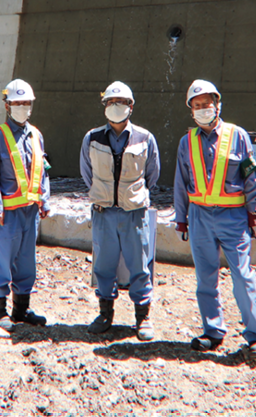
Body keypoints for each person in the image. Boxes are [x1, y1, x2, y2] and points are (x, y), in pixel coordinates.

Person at [173, 79, 256, 363]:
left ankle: (255, 337)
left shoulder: (237, 135)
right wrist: (181, 218)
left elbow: (251, 176)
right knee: (205, 277)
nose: (203, 109)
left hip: (233, 218)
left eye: (207, 104)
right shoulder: (186, 142)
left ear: (218, 106)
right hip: (199, 217)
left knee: (242, 276)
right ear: (191, 110)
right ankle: (213, 331)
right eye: (197, 105)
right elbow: (181, 182)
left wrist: (254, 213)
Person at [80, 81, 160, 340]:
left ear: (131, 106)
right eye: (111, 102)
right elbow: (87, 173)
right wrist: (104, 194)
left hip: (134, 213)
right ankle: (105, 314)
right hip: (104, 213)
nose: (116, 106)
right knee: (103, 265)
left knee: (139, 265)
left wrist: (131, 196)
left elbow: (152, 175)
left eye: (121, 102)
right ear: (105, 106)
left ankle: (142, 317)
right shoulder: (92, 138)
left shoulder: (145, 138)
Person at [0, 79, 51, 331]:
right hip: (8, 212)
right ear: (7, 105)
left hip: (30, 211)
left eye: (26, 103)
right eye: (17, 103)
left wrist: (44, 199)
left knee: (26, 260)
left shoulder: (36, 135)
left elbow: (42, 170)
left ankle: (21, 309)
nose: (22, 107)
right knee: (2, 259)